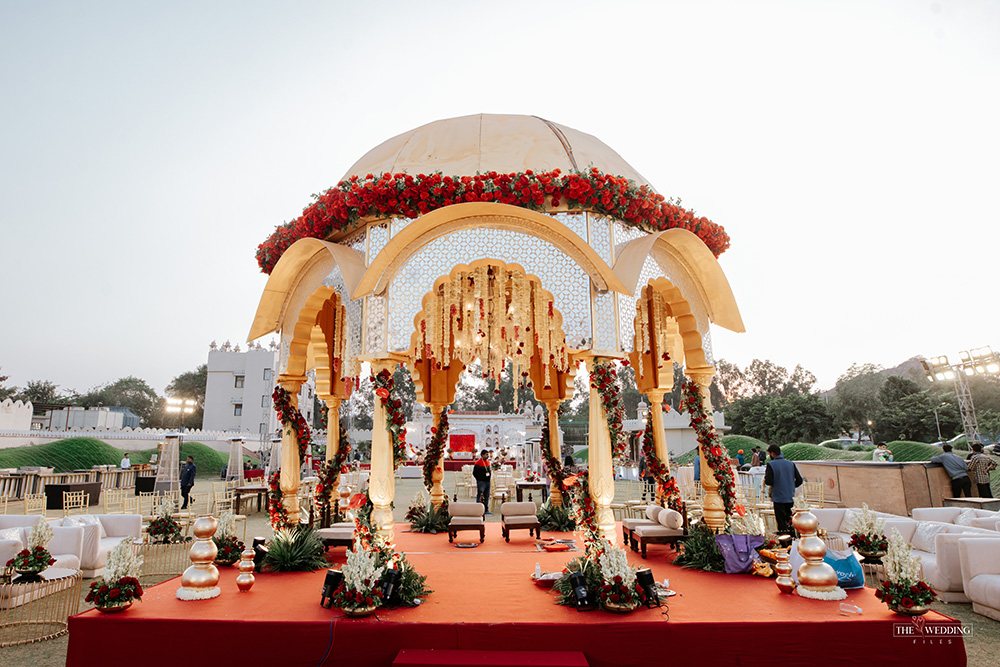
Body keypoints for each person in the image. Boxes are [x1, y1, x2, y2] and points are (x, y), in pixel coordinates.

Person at [763, 444, 803, 537]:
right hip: (790, 496)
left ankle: (784, 541)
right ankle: (793, 539)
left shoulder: (771, 464)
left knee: (781, 522)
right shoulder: (791, 464)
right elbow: (799, 480)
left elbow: (768, 481)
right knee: (790, 520)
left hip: (778, 497)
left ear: (772, 453)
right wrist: (791, 486)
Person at [473, 449, 492, 514]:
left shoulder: (488, 462)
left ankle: (486, 509)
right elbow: (474, 473)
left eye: (488, 454)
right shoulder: (478, 463)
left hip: (487, 482)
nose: (488, 456)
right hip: (481, 482)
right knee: (480, 495)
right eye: (486, 454)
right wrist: (479, 479)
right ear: (482, 455)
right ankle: (478, 509)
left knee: (486, 496)